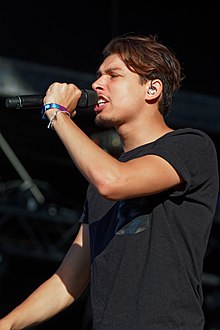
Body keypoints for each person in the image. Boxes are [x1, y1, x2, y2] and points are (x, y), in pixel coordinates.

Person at [0, 33, 219, 330]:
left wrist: (58, 113)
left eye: (113, 75)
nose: (97, 84)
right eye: (98, 76)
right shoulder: (103, 176)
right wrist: (7, 324)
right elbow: (69, 279)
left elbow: (113, 182)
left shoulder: (190, 145)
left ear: (152, 88)